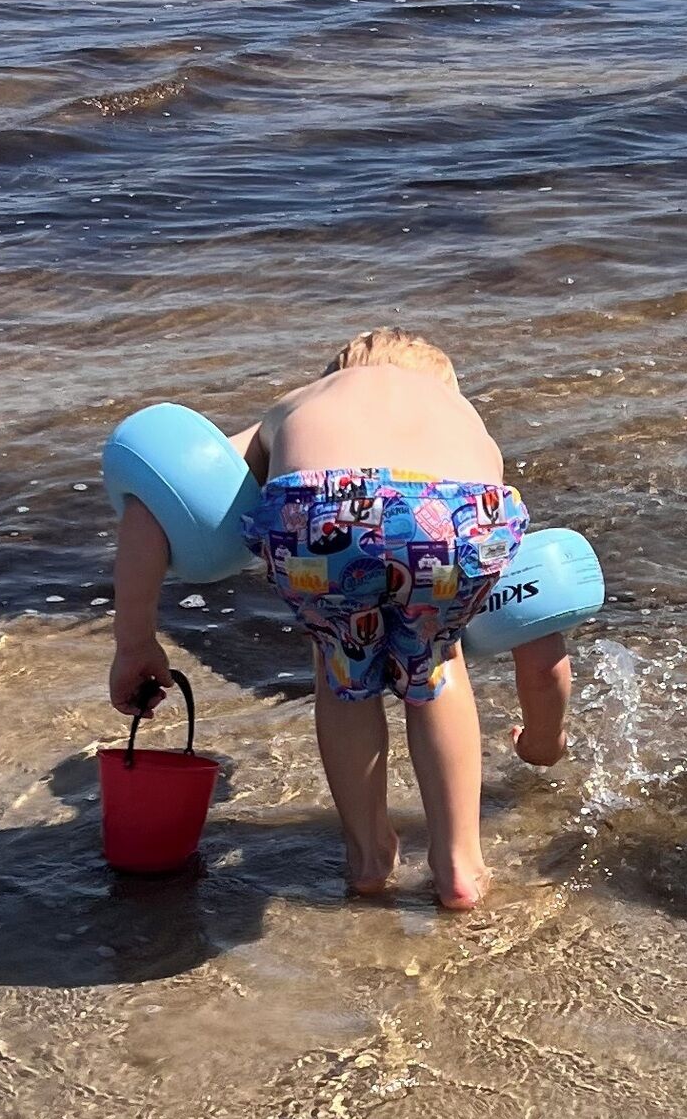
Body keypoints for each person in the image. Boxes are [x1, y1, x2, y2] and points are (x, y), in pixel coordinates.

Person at [108, 331, 569, 910]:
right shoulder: (462, 418)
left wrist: (135, 642)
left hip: (321, 506)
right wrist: (545, 735)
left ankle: (369, 856)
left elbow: (159, 498)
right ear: (443, 383)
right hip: (464, 512)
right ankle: (459, 863)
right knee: (435, 664)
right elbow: (539, 626)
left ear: (337, 371)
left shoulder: (304, 399)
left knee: (342, 669)